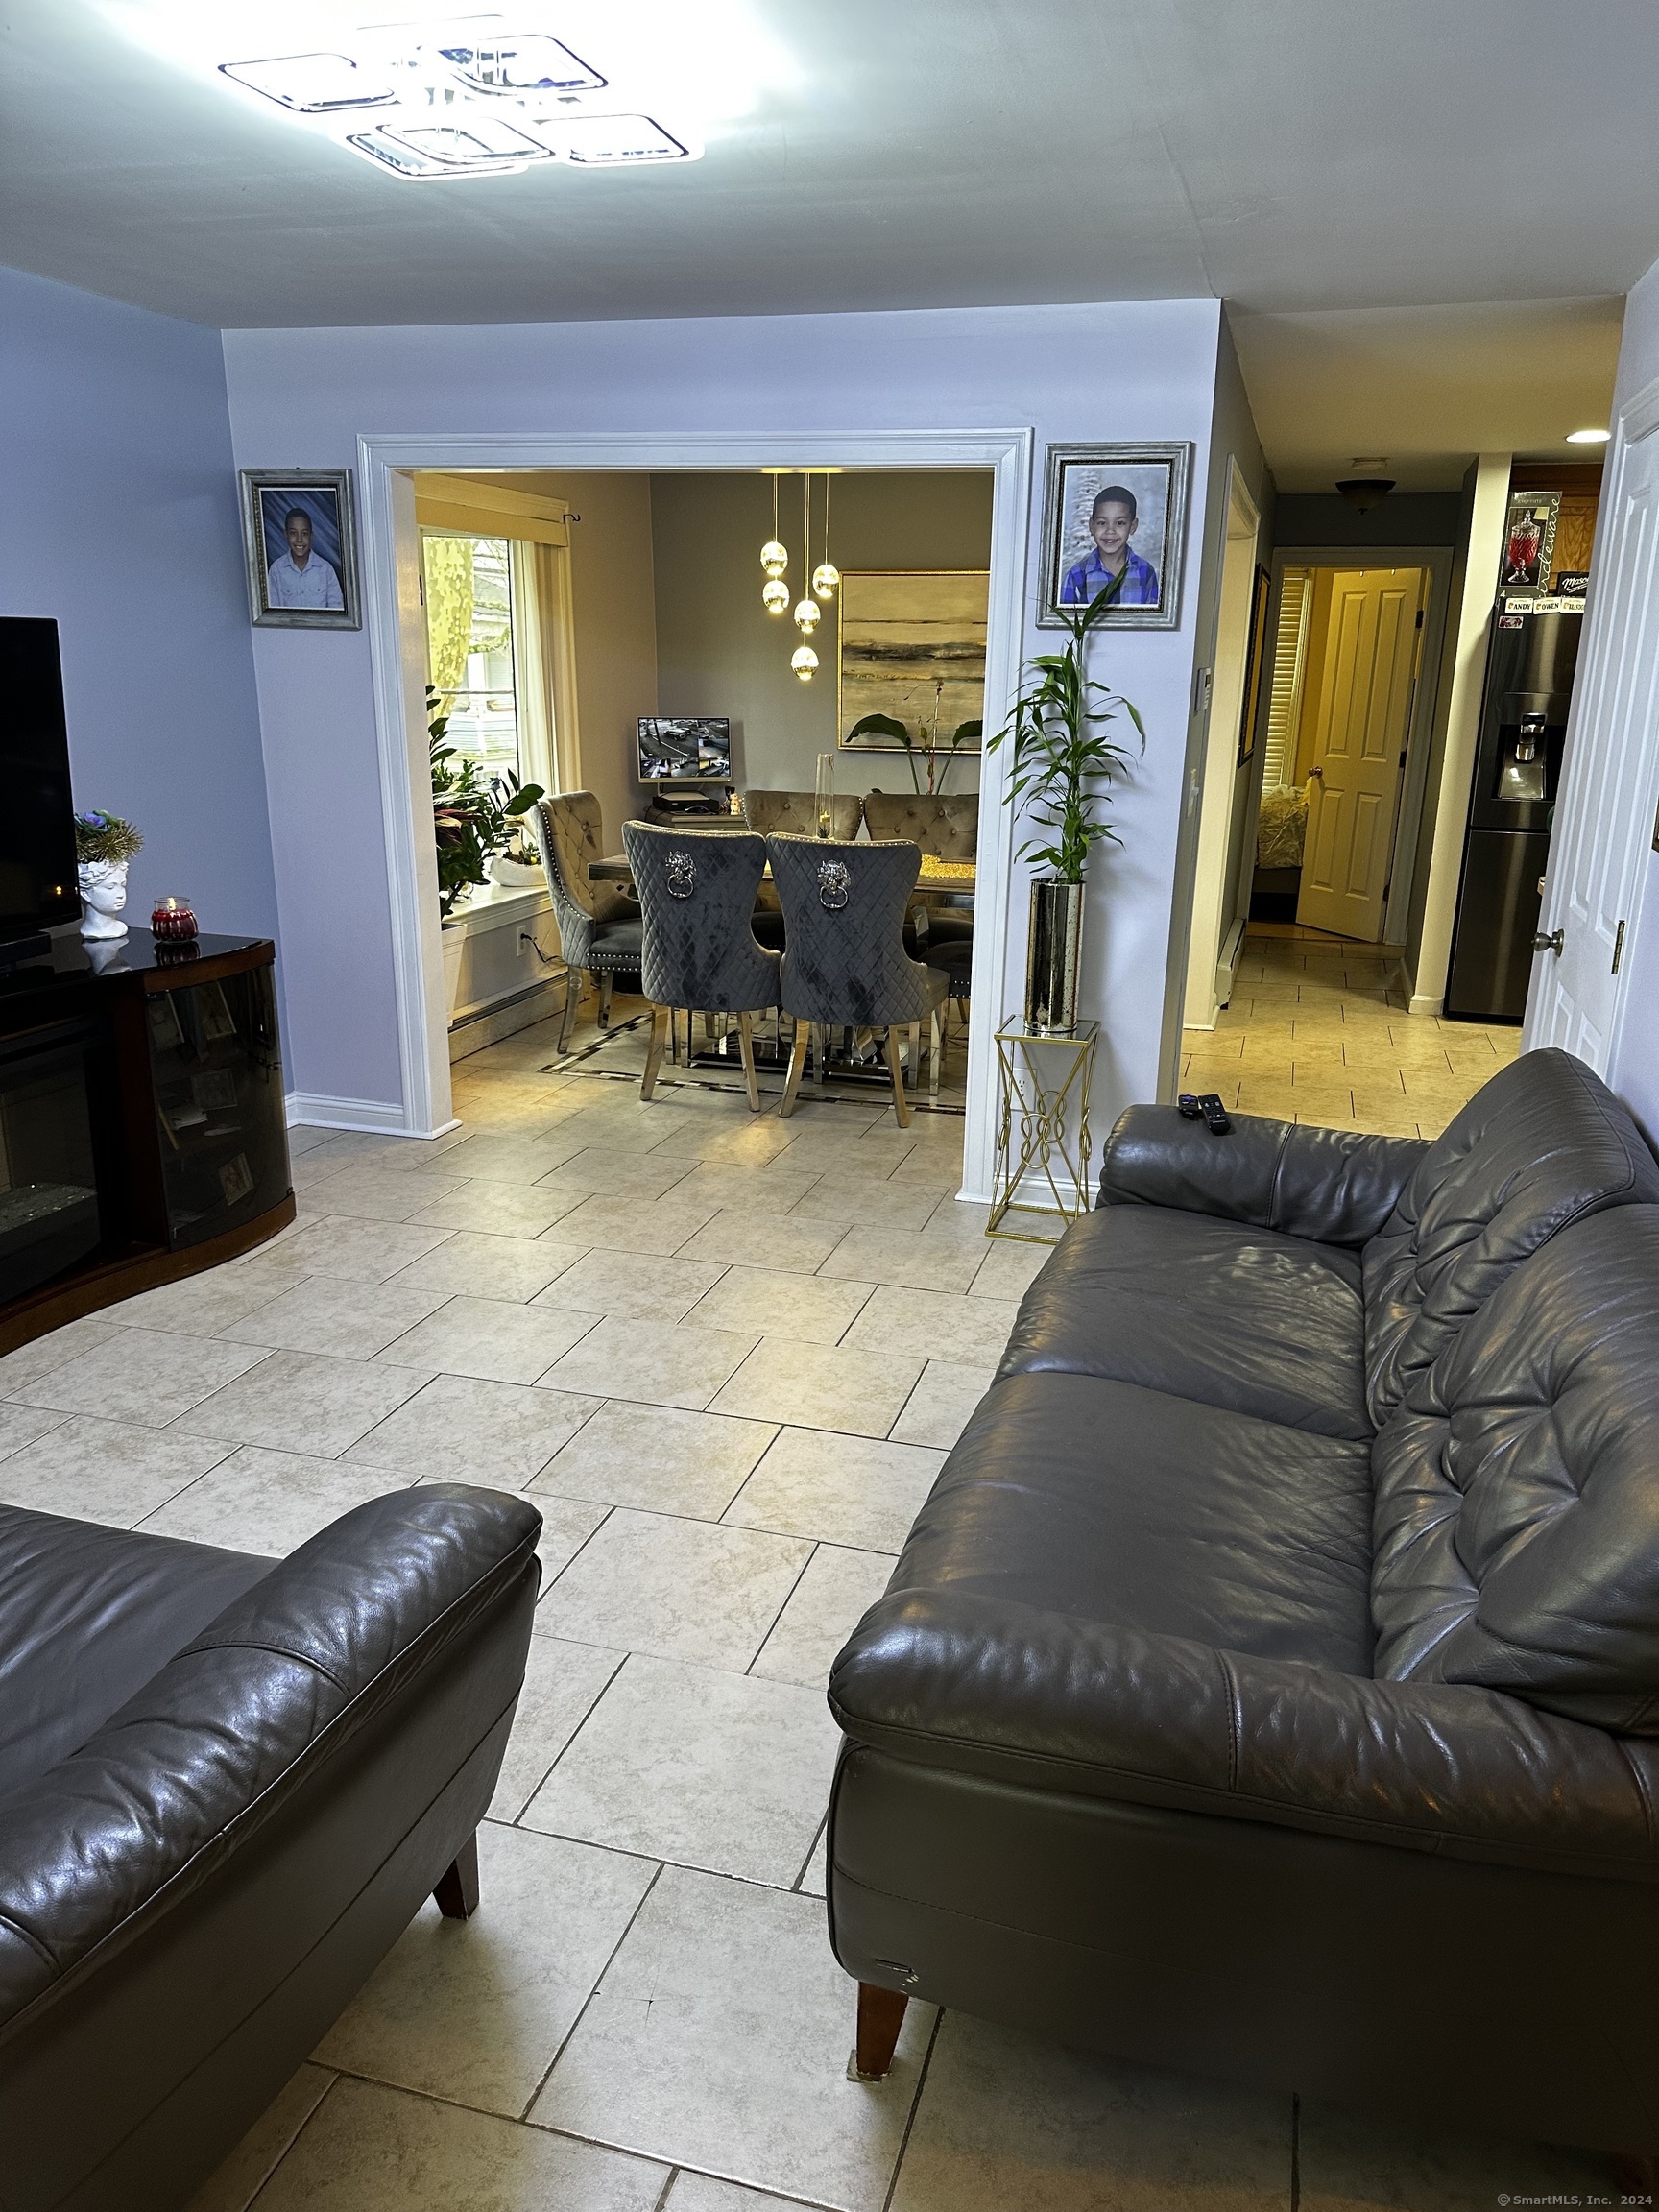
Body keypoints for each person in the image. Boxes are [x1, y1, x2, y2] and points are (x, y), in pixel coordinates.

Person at [1059, 484, 1160, 608]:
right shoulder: (1076, 576)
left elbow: (1154, 624)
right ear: (1091, 526)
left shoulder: (1146, 573)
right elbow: (1064, 625)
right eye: (1102, 523)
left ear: (1133, 526)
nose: (1110, 531)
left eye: (1120, 523)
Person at [266, 503, 344, 611]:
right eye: (293, 533)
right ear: (286, 534)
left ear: (311, 536)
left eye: (304, 534)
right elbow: (273, 613)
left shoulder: (326, 570)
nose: (299, 540)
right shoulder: (276, 570)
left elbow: (337, 610)